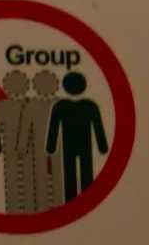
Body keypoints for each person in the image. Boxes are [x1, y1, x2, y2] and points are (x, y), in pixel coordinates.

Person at [45, 71, 108, 203]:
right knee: (84, 171)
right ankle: (81, 200)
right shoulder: (89, 106)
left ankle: (74, 200)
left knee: (72, 173)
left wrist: (51, 147)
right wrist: (102, 147)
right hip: (83, 145)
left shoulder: (61, 106)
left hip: (71, 146)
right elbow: (98, 128)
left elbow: (53, 128)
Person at [0, 70, 32, 214]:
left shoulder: (3, 106)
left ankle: (18, 210)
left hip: (22, 148)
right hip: (21, 148)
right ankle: (20, 211)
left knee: (19, 179)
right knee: (23, 179)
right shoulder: (26, 104)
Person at [17, 70, 60, 212]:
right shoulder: (31, 106)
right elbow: (25, 128)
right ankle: (42, 209)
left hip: (59, 150)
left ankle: (59, 207)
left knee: (58, 179)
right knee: (40, 178)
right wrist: (22, 147)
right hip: (38, 148)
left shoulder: (59, 104)